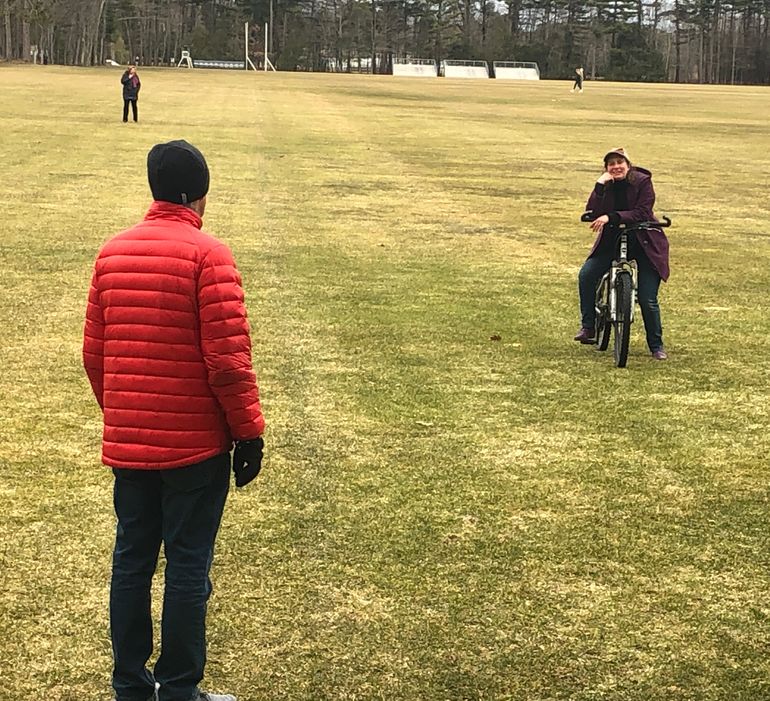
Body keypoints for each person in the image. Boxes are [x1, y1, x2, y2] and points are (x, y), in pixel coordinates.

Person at [83, 139, 266, 701]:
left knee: (131, 563)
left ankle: (130, 687)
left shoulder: (112, 253)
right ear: (201, 195)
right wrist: (249, 432)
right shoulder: (209, 255)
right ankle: (180, 689)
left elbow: (96, 355)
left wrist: (122, 414)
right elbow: (228, 362)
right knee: (188, 568)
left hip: (130, 446)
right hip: (195, 450)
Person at [574, 147, 670, 360]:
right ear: (606, 168)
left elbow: (642, 212)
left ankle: (656, 346)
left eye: (620, 162)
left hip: (644, 241)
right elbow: (592, 211)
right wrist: (599, 186)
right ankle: (588, 326)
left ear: (628, 165)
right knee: (587, 275)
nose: (616, 167)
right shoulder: (606, 184)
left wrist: (611, 217)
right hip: (612, 241)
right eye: (611, 164)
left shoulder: (642, 181)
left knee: (647, 298)